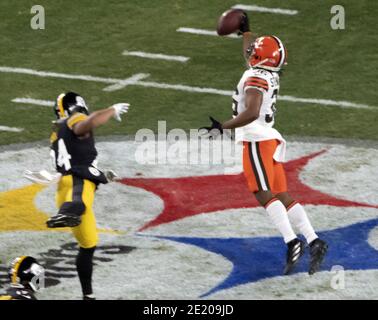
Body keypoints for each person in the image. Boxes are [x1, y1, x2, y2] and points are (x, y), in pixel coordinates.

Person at [200, 13, 328, 275]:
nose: (250, 52)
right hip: (268, 138)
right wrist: (246, 30)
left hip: (256, 138)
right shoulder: (266, 72)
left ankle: (292, 241)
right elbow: (250, 54)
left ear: (259, 58)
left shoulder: (256, 77)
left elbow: (250, 111)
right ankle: (314, 240)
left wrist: (221, 127)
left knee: (262, 192)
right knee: (281, 194)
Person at [46, 92, 129, 299]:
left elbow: (77, 154)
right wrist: (111, 110)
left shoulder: (57, 131)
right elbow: (83, 126)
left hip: (66, 186)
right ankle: (64, 214)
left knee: (88, 245)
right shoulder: (76, 118)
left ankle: (88, 295)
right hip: (77, 183)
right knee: (79, 203)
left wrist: (103, 175)